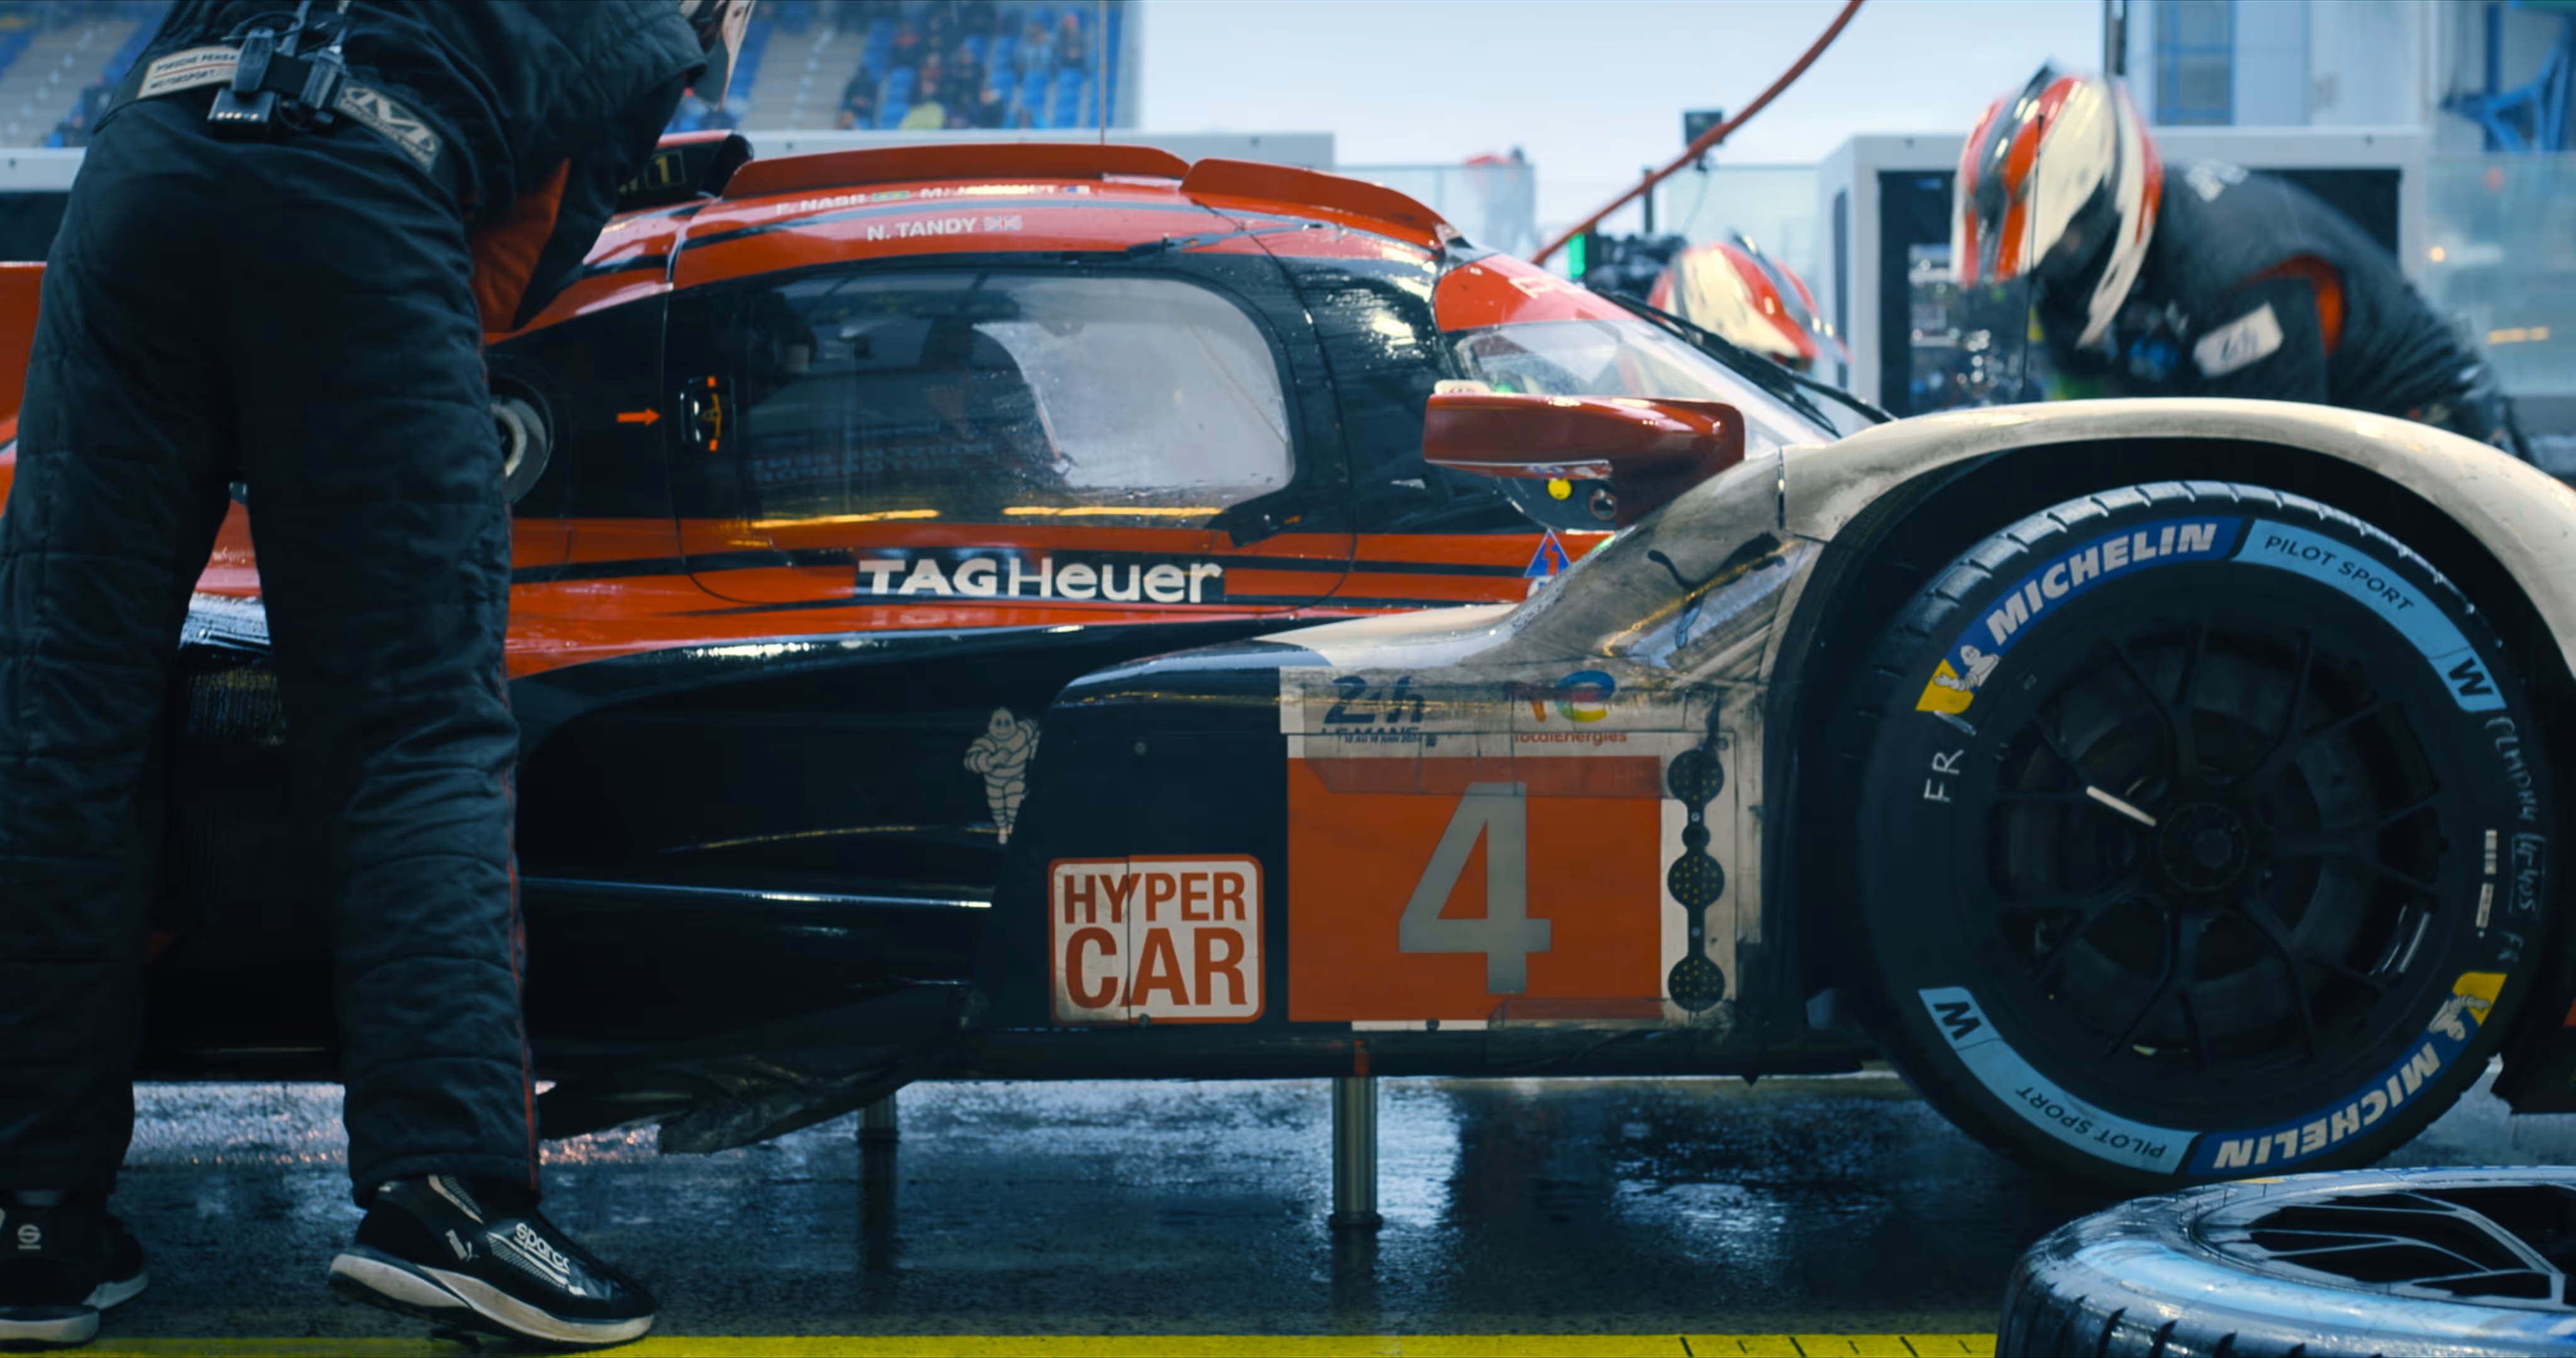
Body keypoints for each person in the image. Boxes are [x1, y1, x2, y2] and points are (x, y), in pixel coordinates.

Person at [0, 0, 738, 1349]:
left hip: (144, 170)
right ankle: (445, 1198)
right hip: (354, 195)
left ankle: (31, 1220)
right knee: (412, 726)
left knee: (60, 717)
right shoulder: (655, 20)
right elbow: (508, 275)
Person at [1954, 66, 2528, 456]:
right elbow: (2082, 429)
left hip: (2428, 438)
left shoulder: (2237, 272)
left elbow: (2274, 470)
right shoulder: (2078, 285)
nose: (2052, 271)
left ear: (2106, 205)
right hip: (2341, 440)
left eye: (2061, 247)